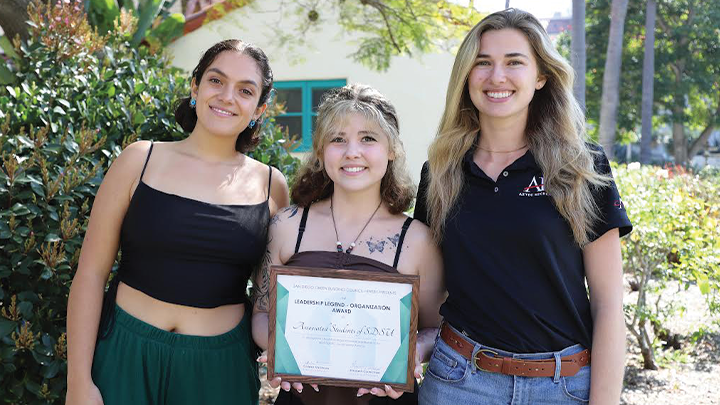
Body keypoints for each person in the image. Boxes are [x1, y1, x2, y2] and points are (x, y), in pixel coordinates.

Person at [413, 9, 632, 405]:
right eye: (483, 63)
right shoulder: (441, 173)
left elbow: (608, 304)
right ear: (466, 76)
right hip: (459, 382)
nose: (497, 77)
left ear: (541, 76)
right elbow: (430, 296)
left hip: (563, 387)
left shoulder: (581, 167)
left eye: (514, 62)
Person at [65, 39, 289, 405]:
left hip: (220, 369)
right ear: (195, 86)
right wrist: (78, 382)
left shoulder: (272, 186)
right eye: (216, 80)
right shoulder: (139, 160)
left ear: (259, 109)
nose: (227, 96)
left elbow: (271, 298)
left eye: (245, 90)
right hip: (125, 353)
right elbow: (90, 275)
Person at [252, 83, 445, 405]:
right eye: (337, 139)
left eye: (368, 138)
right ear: (320, 150)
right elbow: (261, 313)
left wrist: (412, 356)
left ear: (392, 149)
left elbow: (436, 328)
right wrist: (276, 349)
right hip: (299, 397)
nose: (351, 152)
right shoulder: (287, 226)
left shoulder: (418, 240)